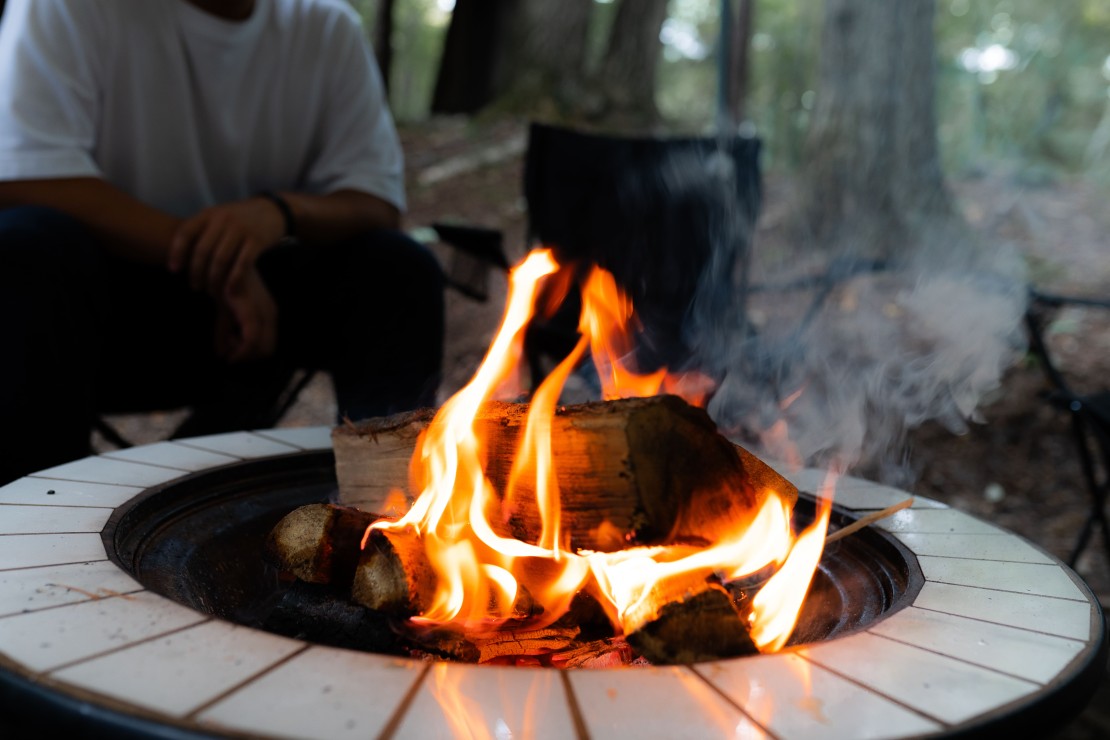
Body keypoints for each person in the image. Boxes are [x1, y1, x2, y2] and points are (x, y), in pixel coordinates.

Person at [0, 0, 445, 484]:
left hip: (261, 322)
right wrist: (220, 261)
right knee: (24, 250)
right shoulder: (68, 8)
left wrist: (278, 213)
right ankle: (30, 516)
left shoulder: (326, 25)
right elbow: (21, 178)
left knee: (398, 268)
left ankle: (388, 510)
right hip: (103, 323)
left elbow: (375, 201)